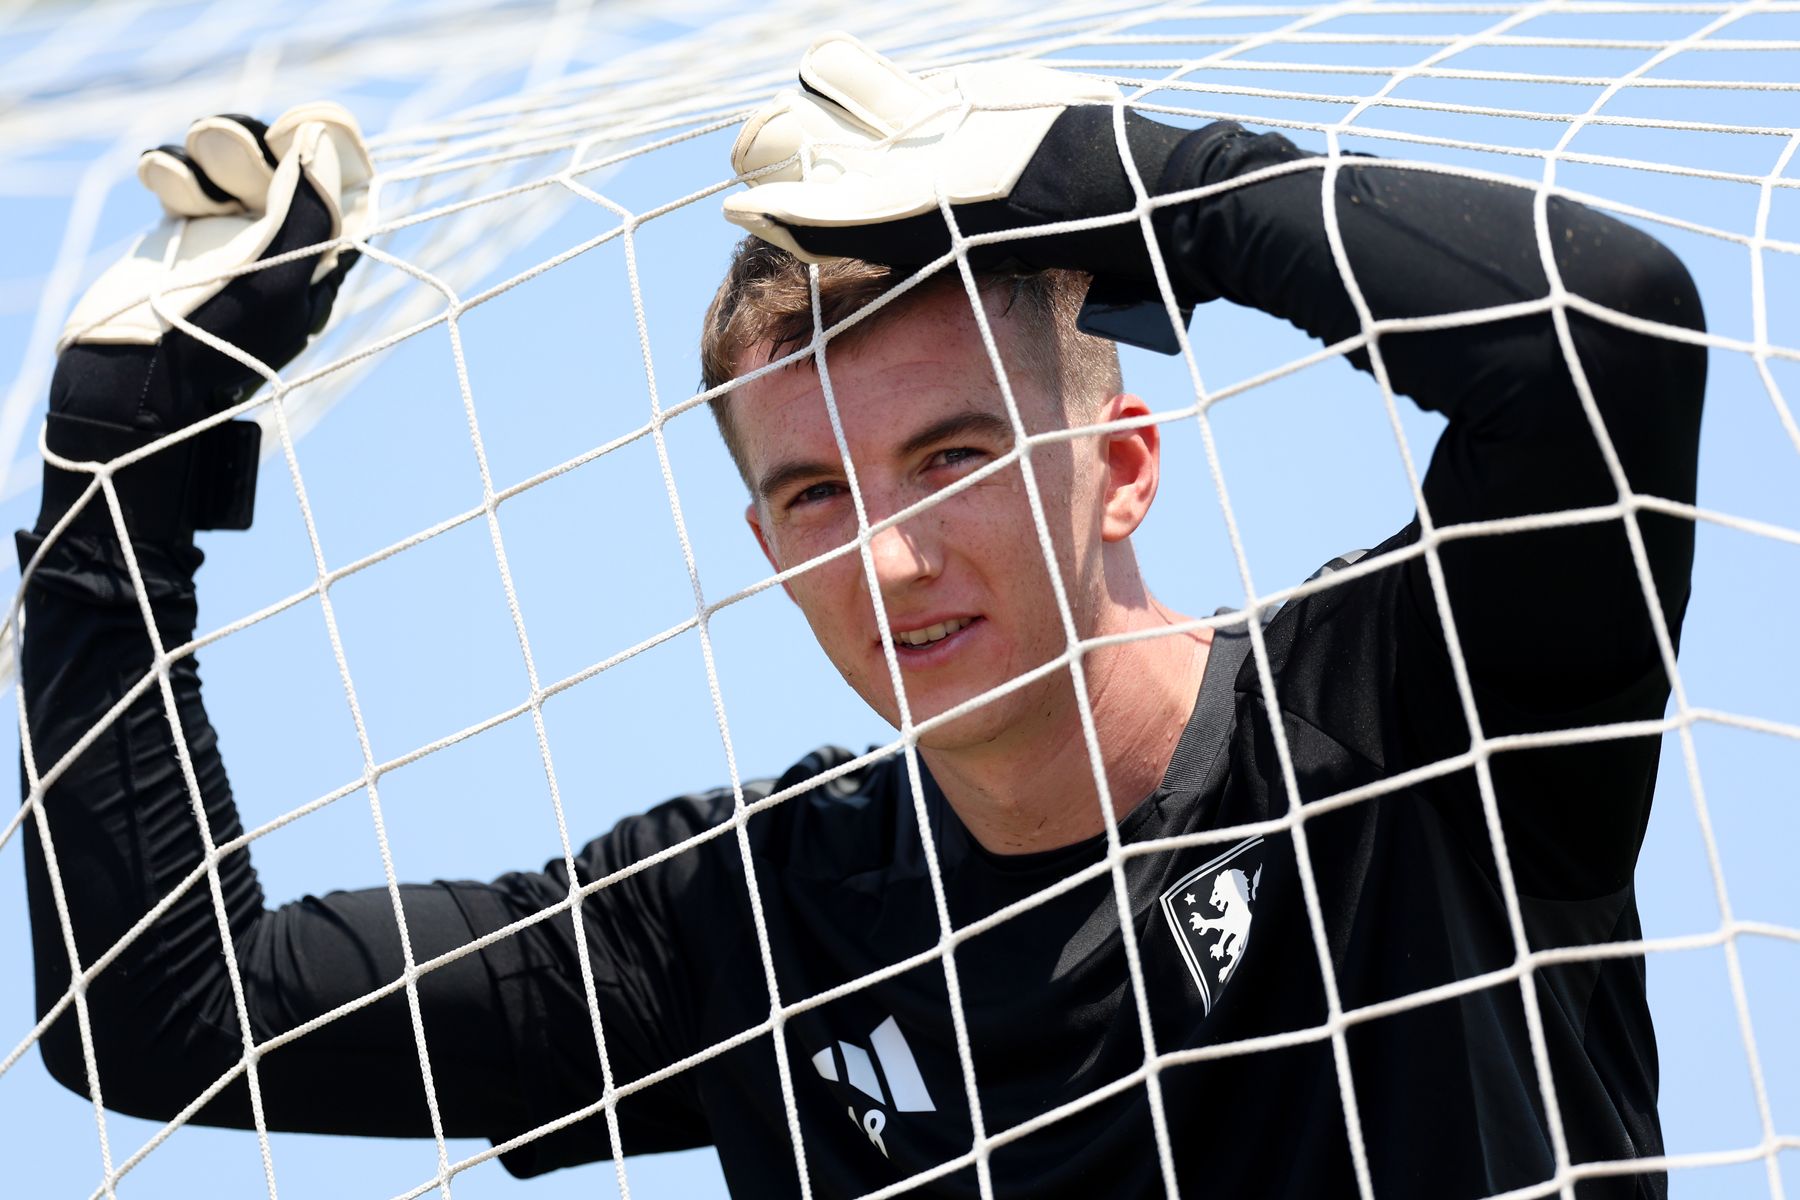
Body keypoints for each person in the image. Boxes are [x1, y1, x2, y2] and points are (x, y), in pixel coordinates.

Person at [18, 35, 1703, 1200]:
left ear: (1124, 466)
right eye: (820, 495)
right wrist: (116, 483)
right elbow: (164, 1018)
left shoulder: (1417, 713)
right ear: (762, 541)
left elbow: (1603, 328)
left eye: (953, 456)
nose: (891, 557)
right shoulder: (756, 923)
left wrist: (1127, 183)